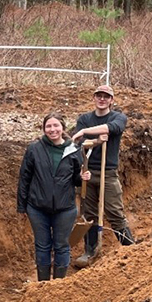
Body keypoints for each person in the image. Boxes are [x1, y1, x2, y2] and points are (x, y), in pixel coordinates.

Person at [18, 114, 91, 281]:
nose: (52, 130)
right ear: (44, 129)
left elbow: (75, 180)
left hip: (65, 208)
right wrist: (22, 207)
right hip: (37, 208)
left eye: (56, 126)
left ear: (62, 128)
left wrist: (82, 178)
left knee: (62, 246)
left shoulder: (73, 150)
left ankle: (59, 286)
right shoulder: (34, 149)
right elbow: (24, 178)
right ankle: (43, 286)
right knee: (42, 246)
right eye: (48, 126)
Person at [72, 83, 134, 268]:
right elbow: (80, 142)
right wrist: (94, 138)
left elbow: (112, 128)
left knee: (114, 212)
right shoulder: (84, 119)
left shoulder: (118, 117)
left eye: (106, 96)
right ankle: (90, 250)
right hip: (88, 171)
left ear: (111, 100)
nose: (102, 99)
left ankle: (131, 249)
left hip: (108, 172)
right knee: (89, 213)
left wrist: (89, 134)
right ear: (94, 98)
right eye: (99, 95)